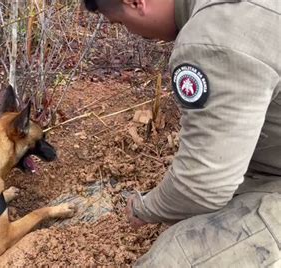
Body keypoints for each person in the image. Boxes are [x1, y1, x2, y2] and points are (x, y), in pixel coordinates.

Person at [83, 0, 281, 267]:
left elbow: (201, 186)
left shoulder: (213, 36)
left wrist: (145, 208)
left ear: (134, 2)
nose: (134, 33)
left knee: (170, 260)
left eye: (121, 23)